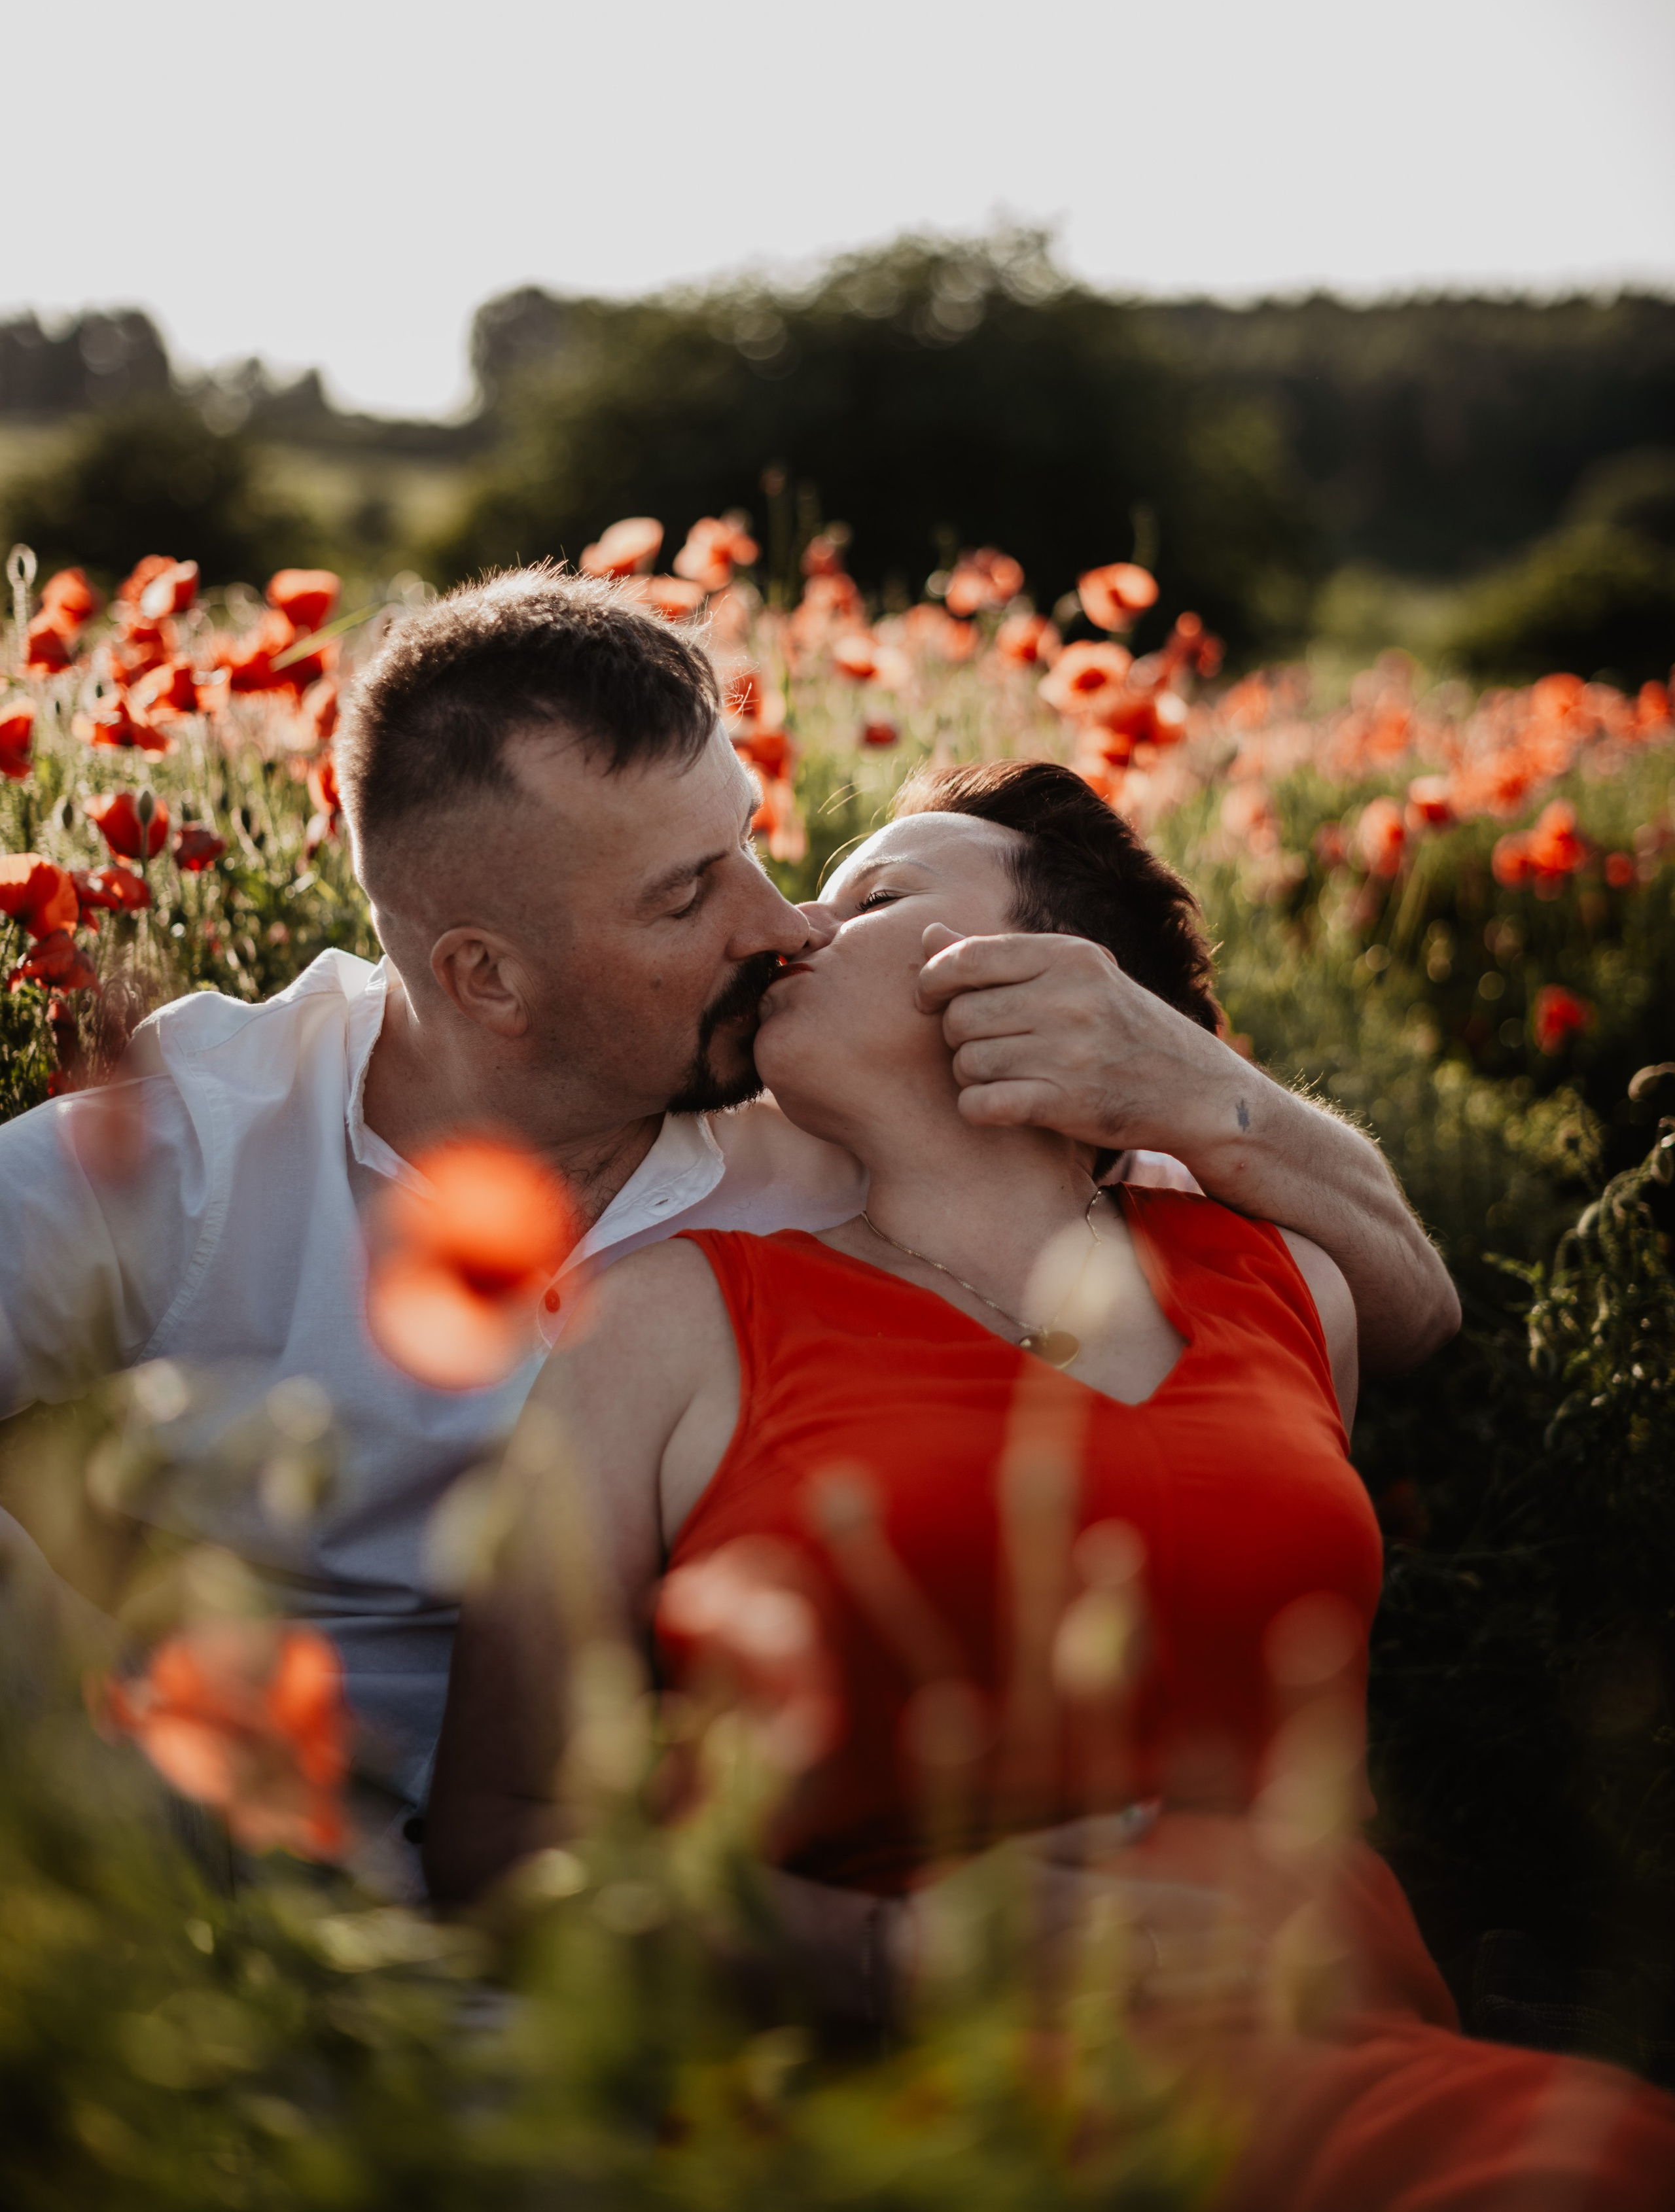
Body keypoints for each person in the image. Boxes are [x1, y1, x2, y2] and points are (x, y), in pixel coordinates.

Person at [0, 571, 1455, 1842]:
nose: (776, 922)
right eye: (687, 892)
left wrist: (1196, 1082)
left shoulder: (835, 1126)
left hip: (623, 1907)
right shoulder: (196, 1146)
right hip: (206, 1857)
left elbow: (1381, 1305)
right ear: (484, 976)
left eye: (749, 839)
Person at [426, 760, 1675, 2210]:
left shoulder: (1276, 1280)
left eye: (870, 894)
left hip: (1331, 2044)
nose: (789, 931)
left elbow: (1426, 1301)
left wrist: (1190, 1085)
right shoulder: (663, 1320)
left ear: (1044, 977)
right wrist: (882, 1955)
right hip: (916, 2090)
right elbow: (498, 1840)